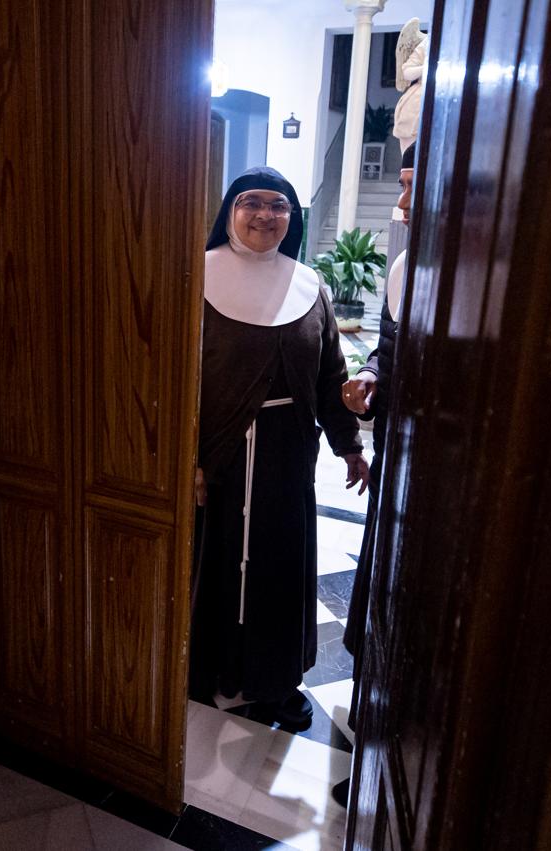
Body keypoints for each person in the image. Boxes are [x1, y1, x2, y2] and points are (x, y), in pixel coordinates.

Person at [190, 167, 370, 729]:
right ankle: (209, 668)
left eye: (280, 205)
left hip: (286, 458)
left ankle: (272, 679)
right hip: (216, 458)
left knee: (278, 564)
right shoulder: (196, 276)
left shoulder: (309, 284)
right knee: (215, 560)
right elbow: (173, 379)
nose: (266, 215)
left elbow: (330, 376)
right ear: (229, 212)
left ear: (292, 218)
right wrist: (183, 459)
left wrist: (349, 447)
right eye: (252, 203)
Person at [331, 143, 416, 808]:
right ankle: (371, 720)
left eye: (419, 185)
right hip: (399, 460)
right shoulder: (405, 263)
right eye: (403, 183)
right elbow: (392, 351)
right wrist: (370, 377)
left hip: (438, 477)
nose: (404, 200)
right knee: (378, 592)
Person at [393, 18, 428, 154]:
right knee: (410, 159)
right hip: (420, 97)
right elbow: (407, 71)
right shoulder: (428, 42)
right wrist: (427, 67)